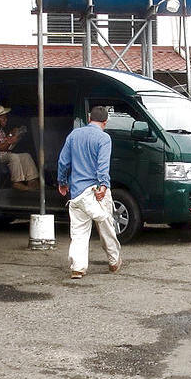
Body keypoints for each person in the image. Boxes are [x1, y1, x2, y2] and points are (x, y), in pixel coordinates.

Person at [57, 105, 121, 279]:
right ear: (105, 122)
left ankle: (78, 268)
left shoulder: (74, 135)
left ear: (89, 118)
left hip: (77, 193)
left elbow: (63, 162)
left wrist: (62, 182)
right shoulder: (104, 138)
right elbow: (102, 165)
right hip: (95, 192)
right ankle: (114, 261)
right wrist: (103, 185)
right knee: (106, 226)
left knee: (78, 232)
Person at [0, 105, 40, 191]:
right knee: (13, 157)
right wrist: (10, 141)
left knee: (26, 155)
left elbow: (5, 140)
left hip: (6, 153)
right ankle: (16, 182)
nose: (6, 120)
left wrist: (12, 134)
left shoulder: (1, 130)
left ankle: (32, 179)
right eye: (3, 119)